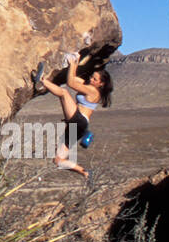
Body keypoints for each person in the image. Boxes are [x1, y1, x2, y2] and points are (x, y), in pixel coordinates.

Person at [31, 51, 113, 181]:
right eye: (92, 77)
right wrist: (76, 62)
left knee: (64, 93)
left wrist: (73, 62)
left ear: (101, 84)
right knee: (58, 160)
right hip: (77, 126)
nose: (91, 79)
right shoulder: (90, 86)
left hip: (79, 121)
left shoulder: (93, 91)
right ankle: (85, 172)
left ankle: (41, 81)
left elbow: (70, 84)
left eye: (95, 79)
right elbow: (74, 79)